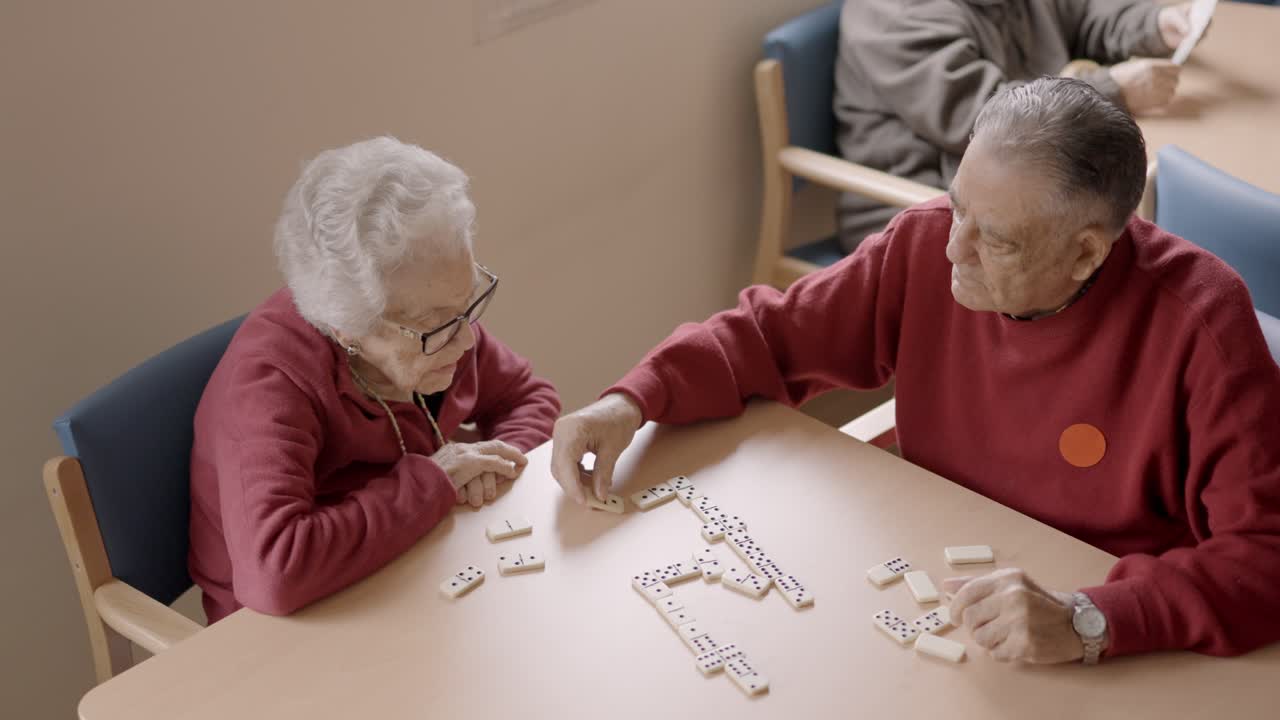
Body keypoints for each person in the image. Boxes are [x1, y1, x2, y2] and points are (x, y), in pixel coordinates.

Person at [551, 79, 1280, 663]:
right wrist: (633, 399)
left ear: (1087, 253)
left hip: (1095, 628)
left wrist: (1093, 619)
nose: (951, 251)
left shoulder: (1205, 322)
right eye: (958, 205)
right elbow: (770, 334)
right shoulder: (926, 242)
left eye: (994, 240)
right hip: (933, 588)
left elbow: (1265, 557)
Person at [189, 137, 560, 622]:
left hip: (406, 561)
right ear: (348, 329)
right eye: (438, 324)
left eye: (467, 302)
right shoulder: (267, 385)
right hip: (292, 627)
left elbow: (527, 397)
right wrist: (434, 482)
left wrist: (491, 468)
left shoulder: (436, 322)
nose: (468, 342)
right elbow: (274, 573)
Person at [834, 0, 1194, 252]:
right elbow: (990, 122)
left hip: (1022, 181)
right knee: (1126, 246)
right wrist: (1114, 89)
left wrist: (1154, 26)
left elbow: (1084, 14)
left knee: (1140, 237)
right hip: (925, 209)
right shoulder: (894, 14)